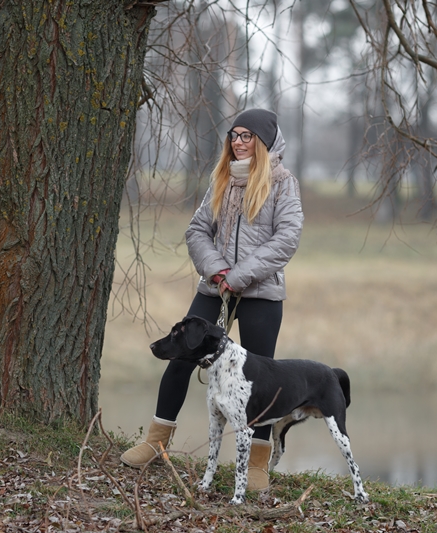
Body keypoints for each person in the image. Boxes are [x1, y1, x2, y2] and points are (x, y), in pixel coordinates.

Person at [120, 108, 304, 492]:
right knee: (178, 359)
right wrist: (219, 272)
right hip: (214, 289)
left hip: (261, 294)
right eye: (234, 135)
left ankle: (257, 463)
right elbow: (197, 230)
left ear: (264, 142)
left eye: (246, 136)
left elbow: (286, 239)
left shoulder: (283, 183)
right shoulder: (220, 179)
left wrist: (239, 276)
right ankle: (156, 442)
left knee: (261, 380)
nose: (237, 142)